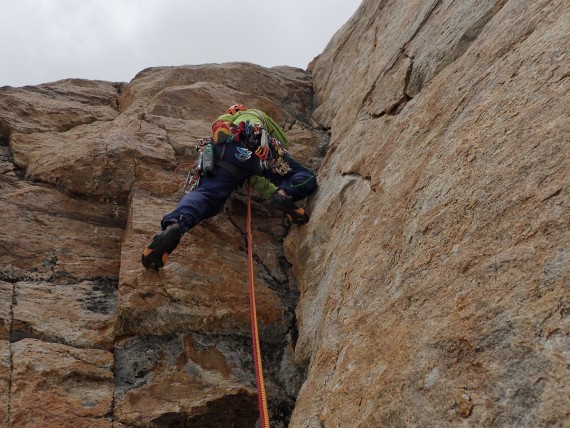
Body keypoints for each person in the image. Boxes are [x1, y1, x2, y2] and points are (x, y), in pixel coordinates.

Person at [141, 104, 318, 270]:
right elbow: (278, 142)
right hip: (255, 144)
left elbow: (253, 179)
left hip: (221, 155)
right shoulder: (253, 114)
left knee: (206, 195)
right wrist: (278, 193)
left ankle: (175, 225)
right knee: (303, 176)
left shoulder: (220, 134)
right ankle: (287, 190)